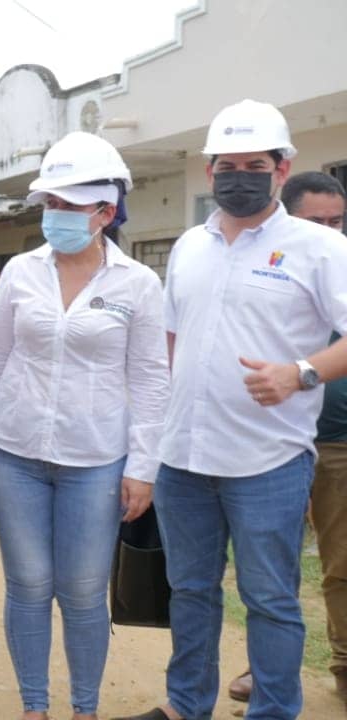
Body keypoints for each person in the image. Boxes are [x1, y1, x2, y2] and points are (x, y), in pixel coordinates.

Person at [115, 100, 347, 720]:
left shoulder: (318, 247)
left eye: (254, 164)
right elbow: (169, 343)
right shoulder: (190, 245)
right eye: (227, 165)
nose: (238, 175)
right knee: (190, 591)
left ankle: (273, 711)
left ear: (282, 168)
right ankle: (187, 705)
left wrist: (301, 373)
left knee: (270, 597)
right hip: (185, 457)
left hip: (267, 460)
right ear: (209, 167)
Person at [0, 132, 169, 720]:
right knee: (27, 586)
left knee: (80, 592)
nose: (54, 215)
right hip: (15, 451)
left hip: (96, 457)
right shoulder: (21, 273)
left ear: (104, 211)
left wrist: (144, 466)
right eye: (48, 203)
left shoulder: (137, 284)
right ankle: (34, 707)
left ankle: (84, 709)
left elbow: (152, 380)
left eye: (67, 205)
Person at [226, 170, 347, 706]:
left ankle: (343, 666)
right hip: (269, 442)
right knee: (270, 570)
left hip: (338, 443)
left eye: (337, 220)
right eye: (316, 220)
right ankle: (266, 669)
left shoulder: (338, 266)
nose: (329, 230)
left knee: (340, 564)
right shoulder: (263, 266)